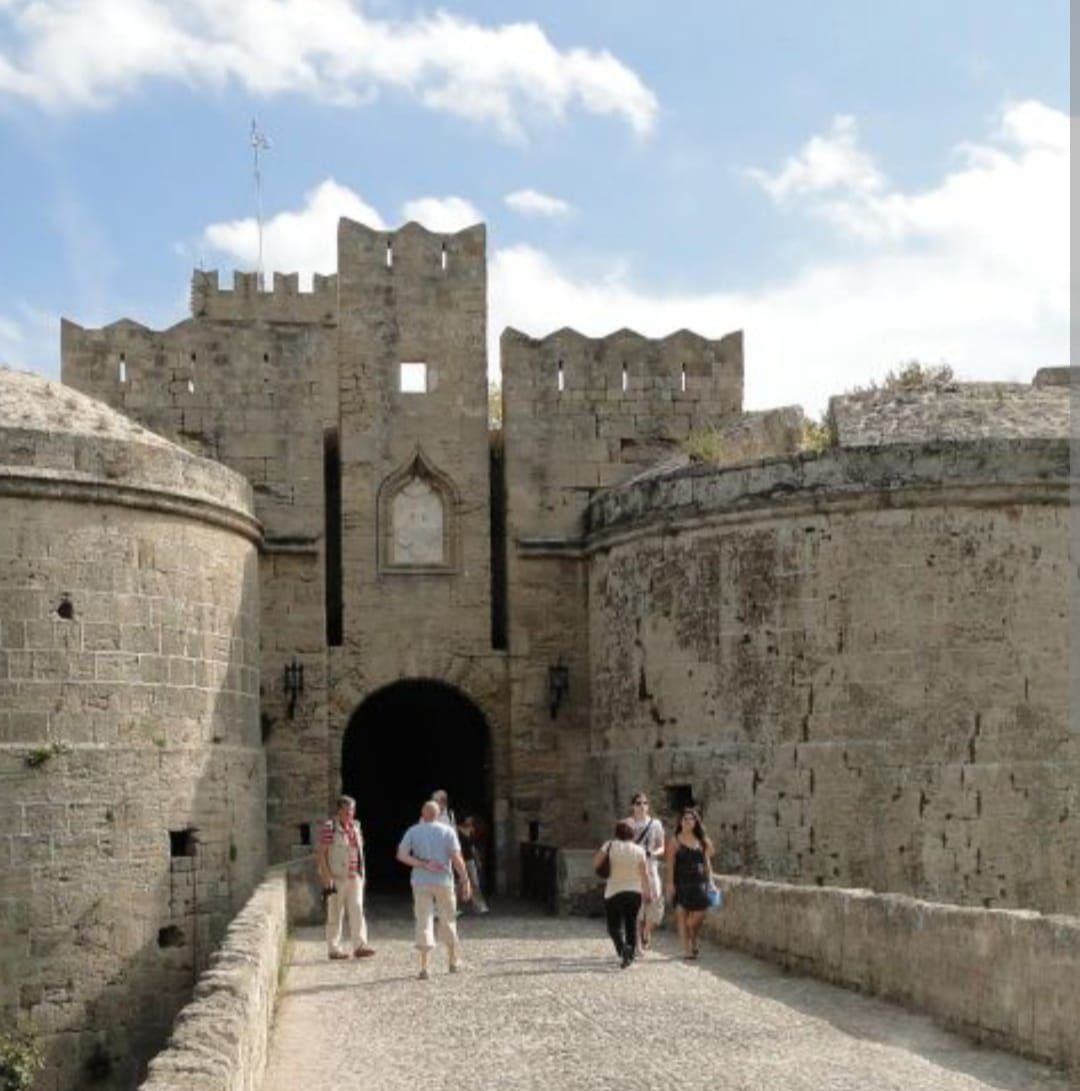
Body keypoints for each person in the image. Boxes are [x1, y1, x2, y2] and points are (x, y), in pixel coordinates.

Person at [397, 799, 471, 979]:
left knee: (423, 921)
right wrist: (465, 879)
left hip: (421, 881)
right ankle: (453, 961)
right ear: (438, 815)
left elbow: (401, 855)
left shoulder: (413, 831)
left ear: (423, 814)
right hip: (443, 881)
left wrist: (421, 863)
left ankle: (425, 966)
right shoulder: (447, 832)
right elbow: (456, 858)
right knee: (448, 919)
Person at [316, 794, 376, 960]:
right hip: (336, 877)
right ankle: (334, 949)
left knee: (357, 909)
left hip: (354, 876)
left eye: (352, 810)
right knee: (335, 913)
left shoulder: (355, 827)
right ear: (339, 810)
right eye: (347, 810)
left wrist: (362, 875)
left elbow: (359, 852)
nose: (350, 813)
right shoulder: (330, 827)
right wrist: (326, 877)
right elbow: (321, 854)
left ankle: (360, 945)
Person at [592, 820, 652, 969]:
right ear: (632, 833)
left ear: (616, 832)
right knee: (631, 924)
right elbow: (645, 875)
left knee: (614, 927)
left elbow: (595, 863)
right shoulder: (639, 850)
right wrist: (648, 892)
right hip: (634, 892)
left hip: (613, 892)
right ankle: (629, 956)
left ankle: (622, 948)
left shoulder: (609, 845)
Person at [665, 806, 715, 960]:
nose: (688, 821)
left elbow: (707, 863)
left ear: (696, 821)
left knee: (698, 915)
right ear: (681, 822)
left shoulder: (702, 840)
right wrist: (670, 884)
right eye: (685, 819)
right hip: (681, 882)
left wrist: (711, 882)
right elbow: (670, 864)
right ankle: (686, 949)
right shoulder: (675, 840)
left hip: (699, 882)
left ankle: (692, 936)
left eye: (691, 819)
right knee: (681, 914)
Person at [625, 792, 664, 951]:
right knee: (635, 907)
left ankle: (646, 931)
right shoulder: (626, 824)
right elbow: (621, 846)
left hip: (651, 868)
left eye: (645, 803)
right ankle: (637, 945)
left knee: (656, 903)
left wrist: (654, 853)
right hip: (632, 869)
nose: (642, 806)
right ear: (632, 806)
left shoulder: (656, 824)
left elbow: (662, 846)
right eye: (638, 803)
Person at [456, 815, 490, 914]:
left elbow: (473, 846)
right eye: (468, 818)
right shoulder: (455, 829)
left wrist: (477, 859)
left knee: (475, 882)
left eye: (471, 818)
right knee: (458, 883)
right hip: (459, 859)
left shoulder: (472, 830)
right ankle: (454, 906)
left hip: (469, 859)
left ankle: (479, 905)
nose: (471, 820)